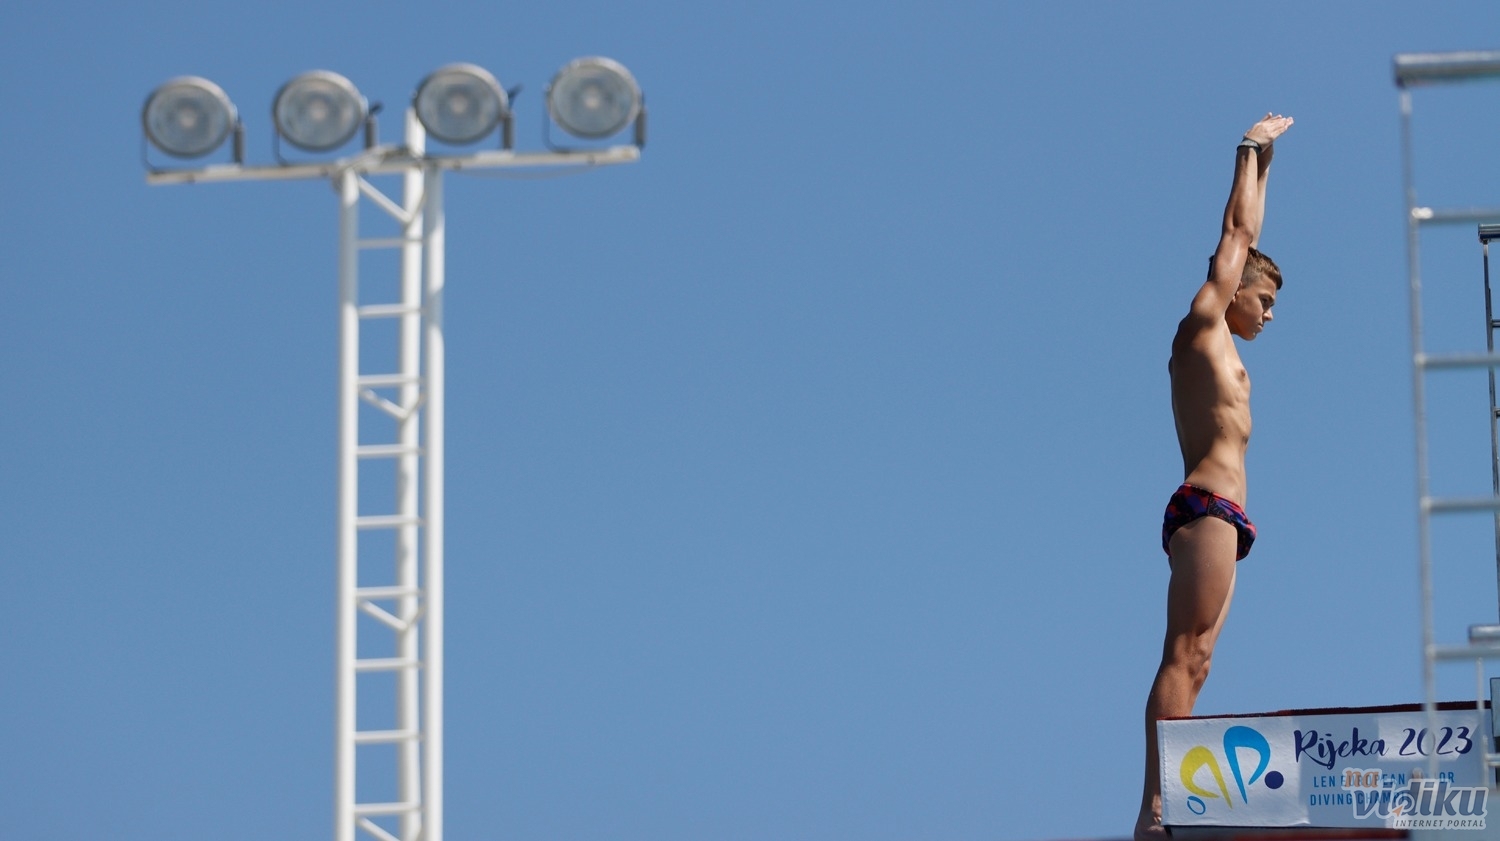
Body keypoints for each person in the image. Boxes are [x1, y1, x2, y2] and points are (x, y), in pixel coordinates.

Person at [1134, 112, 1294, 841]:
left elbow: (1249, 237)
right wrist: (1248, 151)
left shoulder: (1227, 345)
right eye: (1265, 300)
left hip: (1227, 517)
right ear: (1233, 292)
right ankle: (1155, 805)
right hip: (1205, 507)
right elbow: (1237, 235)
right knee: (1182, 650)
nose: (1270, 313)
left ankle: (1174, 801)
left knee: (1198, 662)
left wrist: (1267, 167)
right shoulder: (1203, 324)